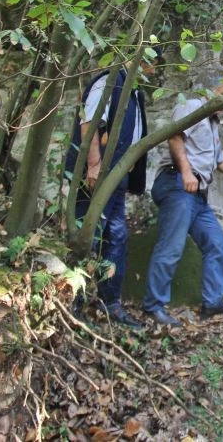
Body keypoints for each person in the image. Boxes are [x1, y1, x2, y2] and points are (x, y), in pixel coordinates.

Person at [143, 84, 223, 326]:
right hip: (178, 184)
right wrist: (186, 173)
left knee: (217, 243)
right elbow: (175, 137)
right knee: (171, 247)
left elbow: (219, 162)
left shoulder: (214, 124)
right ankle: (153, 307)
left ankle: (212, 304)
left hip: (196, 195)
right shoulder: (192, 106)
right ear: (216, 91)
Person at [64, 62, 152, 329]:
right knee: (88, 236)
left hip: (116, 179)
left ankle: (109, 304)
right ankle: (72, 306)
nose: (154, 67)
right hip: (97, 176)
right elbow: (88, 123)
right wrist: (93, 165)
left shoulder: (133, 91)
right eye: (153, 60)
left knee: (116, 236)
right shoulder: (110, 82)